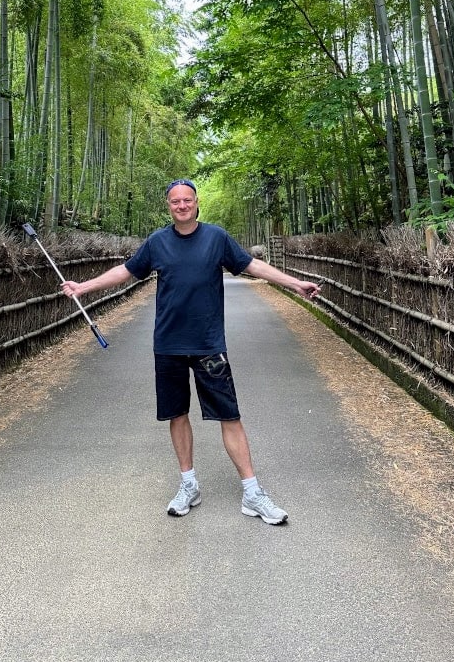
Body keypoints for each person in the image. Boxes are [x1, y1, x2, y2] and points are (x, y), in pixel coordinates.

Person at [61, 179, 321, 526]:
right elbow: (125, 272)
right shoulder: (157, 241)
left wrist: (294, 283)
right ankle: (188, 485)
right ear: (168, 206)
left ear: (197, 203)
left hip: (209, 345)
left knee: (230, 416)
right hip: (168, 344)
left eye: (187, 200)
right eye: (175, 201)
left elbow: (252, 266)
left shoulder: (216, 238)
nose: (182, 206)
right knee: (177, 414)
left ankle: (252, 492)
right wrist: (84, 286)